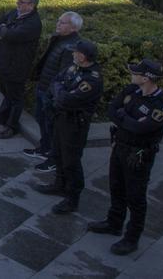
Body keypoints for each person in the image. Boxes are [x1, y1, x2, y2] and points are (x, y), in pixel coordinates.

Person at [86, 59, 163, 255]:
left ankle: (131, 238)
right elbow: (112, 110)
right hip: (120, 147)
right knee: (116, 187)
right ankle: (114, 222)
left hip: (138, 155)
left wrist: (123, 116)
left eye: (136, 72)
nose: (131, 74)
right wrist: (128, 119)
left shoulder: (162, 106)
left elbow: (142, 128)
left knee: (135, 197)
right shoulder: (131, 90)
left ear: (146, 78)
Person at [33, 39, 103, 214]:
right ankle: (59, 184)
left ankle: (72, 199)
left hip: (74, 124)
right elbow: (56, 81)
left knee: (71, 161)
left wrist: (61, 92)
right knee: (58, 153)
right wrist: (61, 91)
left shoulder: (92, 79)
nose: (73, 54)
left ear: (83, 56)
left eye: (76, 52)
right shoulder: (74, 68)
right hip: (61, 118)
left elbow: (67, 99)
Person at [25, 12, 83, 171]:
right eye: (59, 21)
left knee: (51, 123)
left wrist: (52, 93)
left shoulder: (72, 46)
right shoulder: (58, 39)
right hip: (43, 86)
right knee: (40, 117)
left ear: (73, 27)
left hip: (50, 92)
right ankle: (44, 147)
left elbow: (63, 74)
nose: (58, 24)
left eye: (62, 23)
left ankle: (52, 156)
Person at [0, 0, 43, 139]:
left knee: (15, 97)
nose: (17, 4)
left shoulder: (33, 23)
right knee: (6, 91)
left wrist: (4, 31)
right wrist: (3, 30)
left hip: (17, 66)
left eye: (21, 2)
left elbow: (11, 35)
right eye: (18, 0)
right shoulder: (14, 13)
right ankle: (2, 116)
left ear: (31, 5)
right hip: (4, 62)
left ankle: (12, 126)